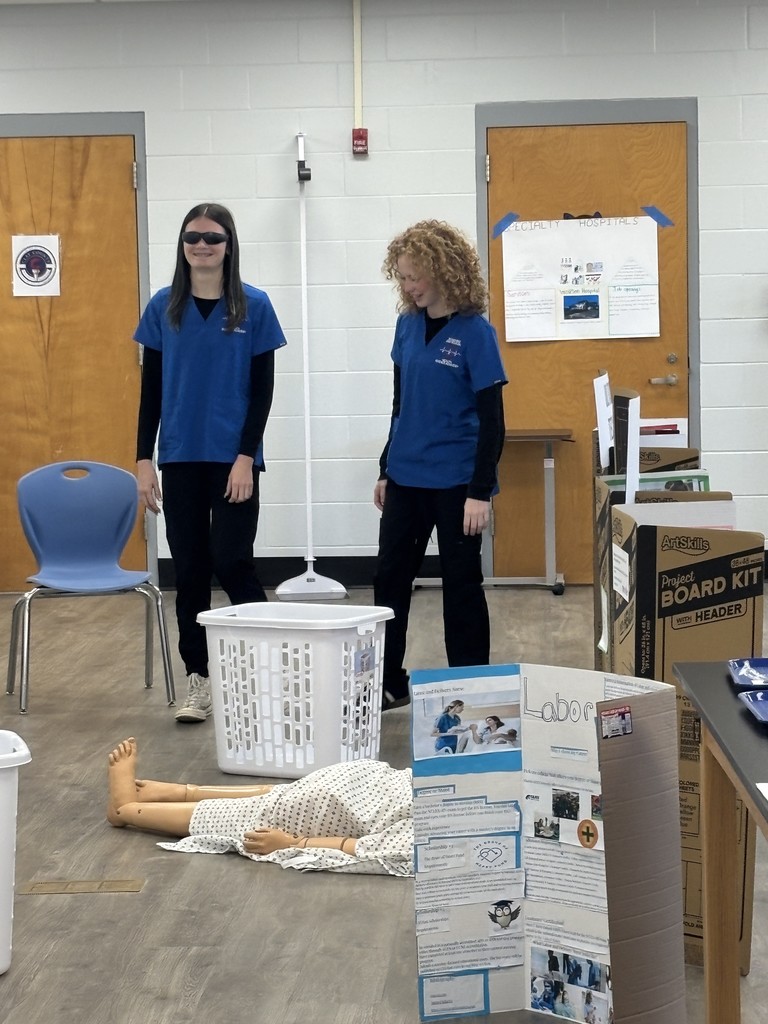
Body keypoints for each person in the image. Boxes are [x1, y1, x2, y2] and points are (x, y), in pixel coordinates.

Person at [134, 203, 287, 723]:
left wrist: (245, 457)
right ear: (182, 245)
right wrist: (142, 460)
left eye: (213, 238)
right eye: (192, 237)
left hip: (234, 460)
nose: (202, 246)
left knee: (232, 561)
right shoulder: (163, 308)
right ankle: (199, 681)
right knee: (192, 570)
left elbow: (262, 392)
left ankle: (272, 672)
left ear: (229, 244)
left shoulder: (254, 307)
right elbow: (150, 393)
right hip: (179, 459)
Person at [373, 220, 507, 710]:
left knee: (461, 584)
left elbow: (493, 421)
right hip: (407, 476)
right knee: (389, 579)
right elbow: (399, 402)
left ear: (445, 272)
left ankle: (470, 688)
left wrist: (480, 490)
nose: (408, 288)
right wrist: (386, 466)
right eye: (402, 278)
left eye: (415, 277)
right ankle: (387, 682)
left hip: (456, 482)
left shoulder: (476, 332)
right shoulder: (407, 325)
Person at [106, 738, 413, 876]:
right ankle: (179, 792)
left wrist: (295, 843)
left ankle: (126, 809)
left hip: (341, 807)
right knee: (276, 796)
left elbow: (365, 848)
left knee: (256, 811)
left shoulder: (440, 839)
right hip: (364, 786)